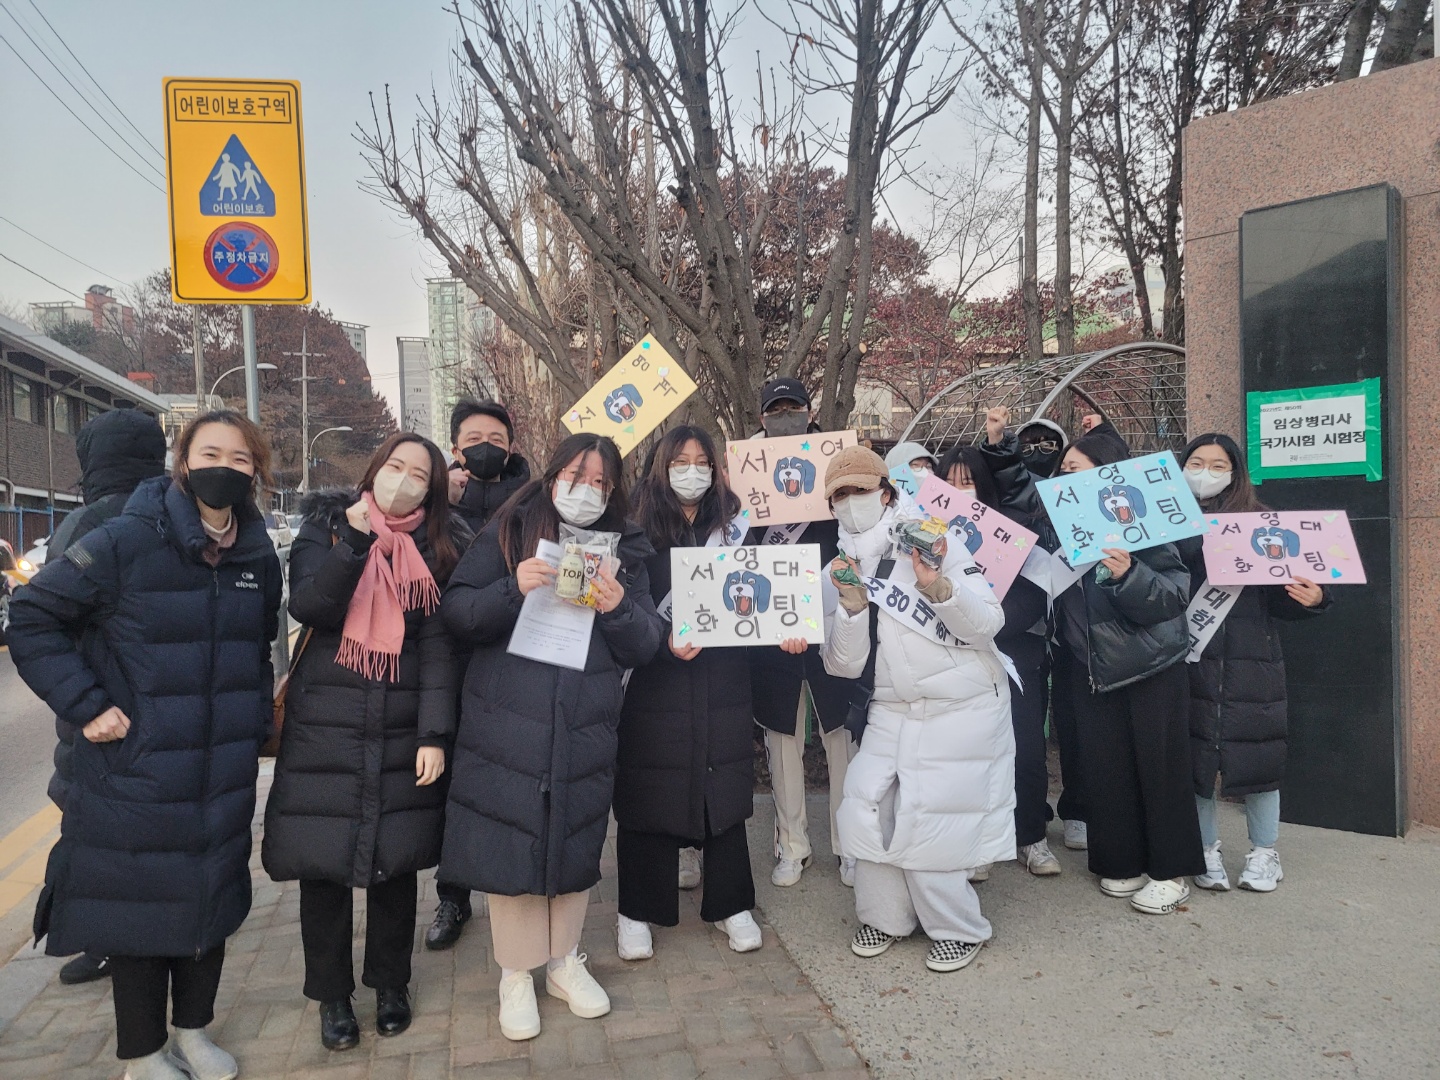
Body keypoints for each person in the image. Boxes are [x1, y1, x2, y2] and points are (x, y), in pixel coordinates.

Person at [8, 411, 282, 1080]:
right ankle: (143, 1053)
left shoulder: (255, 554)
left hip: (221, 769)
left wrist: (253, 725)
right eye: (210, 453)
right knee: (140, 912)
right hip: (137, 770)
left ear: (256, 471)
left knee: (211, 903)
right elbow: (33, 617)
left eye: (240, 458)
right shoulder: (126, 538)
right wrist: (87, 705)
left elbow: (256, 652)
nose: (225, 467)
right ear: (183, 462)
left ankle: (193, 1032)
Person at [438, 433, 662, 1042]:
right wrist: (512, 586)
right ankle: (515, 973)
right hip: (508, 716)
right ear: (553, 474)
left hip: (586, 720)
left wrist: (618, 606)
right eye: (576, 476)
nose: (586, 491)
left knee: (575, 833)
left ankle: (564, 960)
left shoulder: (625, 549)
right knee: (512, 836)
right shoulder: (509, 530)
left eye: (600, 483)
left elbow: (645, 643)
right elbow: (459, 612)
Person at [262, 433, 468, 1051]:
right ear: (375, 469)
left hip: (401, 722)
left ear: (431, 491)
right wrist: (355, 540)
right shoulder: (325, 527)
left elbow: (437, 647)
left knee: (393, 865)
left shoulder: (436, 546)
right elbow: (311, 605)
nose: (403, 481)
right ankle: (332, 995)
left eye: (419, 475)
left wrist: (434, 733)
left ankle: (391, 983)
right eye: (395, 466)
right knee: (321, 867)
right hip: (326, 723)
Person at [818, 446, 1014, 973]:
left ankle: (958, 927)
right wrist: (851, 609)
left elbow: (988, 623)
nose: (851, 503)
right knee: (865, 805)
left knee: (932, 818)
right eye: (840, 496)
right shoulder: (839, 567)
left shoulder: (932, 538)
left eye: (861, 491)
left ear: (886, 492)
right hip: (891, 705)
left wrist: (937, 586)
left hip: (960, 703)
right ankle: (885, 916)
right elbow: (842, 665)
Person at [614, 425, 762, 961]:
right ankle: (636, 910)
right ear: (661, 467)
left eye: (702, 462)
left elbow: (766, 596)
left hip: (723, 679)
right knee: (647, 787)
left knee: (724, 786)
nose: (692, 471)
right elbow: (623, 609)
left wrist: (787, 631)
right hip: (655, 681)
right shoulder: (633, 528)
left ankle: (731, 903)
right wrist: (661, 642)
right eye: (681, 462)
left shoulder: (737, 526)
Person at [41, 408, 168, 988]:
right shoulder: (174, 513)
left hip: (100, 710)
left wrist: (82, 699)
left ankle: (106, 942)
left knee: (97, 829)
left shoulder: (83, 526)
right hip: (171, 702)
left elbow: (48, 624)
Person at [1053, 433, 1205, 915]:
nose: (1065, 478)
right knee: (1107, 769)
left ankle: (1171, 872)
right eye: (1063, 471)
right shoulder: (1063, 528)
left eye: (1076, 470)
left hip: (1150, 666)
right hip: (1092, 668)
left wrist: (1128, 575)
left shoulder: (1145, 523)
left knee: (1160, 772)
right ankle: (1121, 861)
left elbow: (1172, 596)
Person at [1176, 434, 1329, 893]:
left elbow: (1282, 600)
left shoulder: (1262, 523)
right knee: (1196, 762)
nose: (1205, 472)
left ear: (1235, 472)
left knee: (1259, 759)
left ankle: (1265, 853)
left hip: (1253, 663)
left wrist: (1314, 598)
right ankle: (1204, 849)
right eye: (1196, 462)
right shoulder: (1168, 523)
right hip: (1191, 660)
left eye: (1217, 465)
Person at [746, 377, 860, 888]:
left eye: (794, 408)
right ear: (762, 418)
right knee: (781, 736)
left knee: (841, 736)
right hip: (772, 621)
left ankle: (849, 844)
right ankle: (792, 845)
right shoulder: (746, 472)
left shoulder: (835, 464)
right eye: (776, 410)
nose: (785, 416)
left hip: (830, 615)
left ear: (810, 413)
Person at [428, 398, 531, 949]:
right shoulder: (436, 504)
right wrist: (437, 499)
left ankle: (517, 887)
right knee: (455, 787)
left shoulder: (534, 502)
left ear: (512, 447)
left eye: (496, 438)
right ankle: (453, 895)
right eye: (473, 439)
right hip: (452, 657)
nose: (485, 447)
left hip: (516, 661)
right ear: (455, 447)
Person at [939, 431, 1057, 878]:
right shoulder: (923, 537)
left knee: (1025, 748)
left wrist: (987, 622)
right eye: (950, 483)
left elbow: (1034, 594)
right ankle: (976, 844)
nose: (959, 490)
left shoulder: (1011, 530)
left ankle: (1031, 836)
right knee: (968, 754)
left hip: (1013, 655)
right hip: (954, 657)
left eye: (968, 482)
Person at [978, 407, 1087, 852]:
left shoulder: (1084, 500)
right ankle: (1028, 819)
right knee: (1025, 733)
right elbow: (1008, 473)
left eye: (1050, 445)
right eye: (1030, 444)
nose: (1040, 451)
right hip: (1028, 630)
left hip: (1077, 630)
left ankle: (1078, 810)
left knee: (1076, 728)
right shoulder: (1014, 500)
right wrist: (1000, 442)